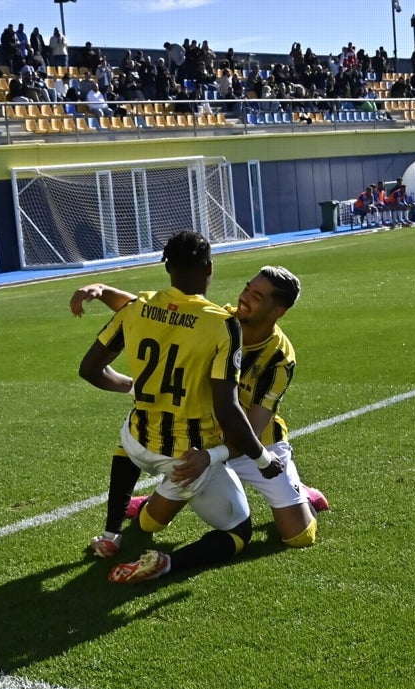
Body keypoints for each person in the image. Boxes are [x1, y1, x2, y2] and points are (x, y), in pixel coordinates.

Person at [72, 266, 327, 559]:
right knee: (148, 522)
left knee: (299, 536)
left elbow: (252, 432)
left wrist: (213, 456)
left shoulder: (280, 358)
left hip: (259, 447)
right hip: (203, 438)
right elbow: (147, 310)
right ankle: (151, 501)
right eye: (247, 288)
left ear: (277, 311)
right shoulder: (220, 320)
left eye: (257, 296)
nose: (244, 298)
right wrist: (102, 291)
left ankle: (300, 493)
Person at [77, 231, 284, 584]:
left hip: (137, 441)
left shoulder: (136, 308)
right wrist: (263, 460)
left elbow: (89, 369)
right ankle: (167, 563)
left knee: (130, 432)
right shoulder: (222, 324)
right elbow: (228, 409)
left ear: (168, 267)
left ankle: (111, 535)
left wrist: (131, 384)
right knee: (238, 533)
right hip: (186, 460)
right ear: (209, 268)